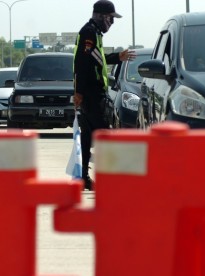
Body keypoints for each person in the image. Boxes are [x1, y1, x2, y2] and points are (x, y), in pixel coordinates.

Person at [73, 0, 135, 191]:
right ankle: (110, 177)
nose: (112, 23)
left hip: (93, 93)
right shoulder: (88, 33)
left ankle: (83, 177)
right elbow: (82, 64)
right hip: (91, 94)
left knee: (88, 137)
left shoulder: (94, 33)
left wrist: (118, 57)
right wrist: (79, 93)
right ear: (100, 16)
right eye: (110, 18)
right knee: (105, 135)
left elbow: (97, 58)